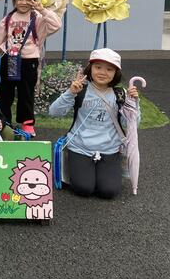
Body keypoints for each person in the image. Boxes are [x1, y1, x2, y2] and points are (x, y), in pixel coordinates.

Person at [48, 48, 140, 199]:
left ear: (116, 73)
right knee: (84, 188)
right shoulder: (80, 89)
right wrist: (70, 93)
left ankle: (98, 173)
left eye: (109, 69)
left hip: (109, 149)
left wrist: (133, 103)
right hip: (80, 146)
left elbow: (131, 124)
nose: (103, 72)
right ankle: (83, 170)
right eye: (98, 67)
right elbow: (54, 112)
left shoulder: (120, 94)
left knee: (109, 191)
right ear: (90, 68)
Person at [0, 0, 61, 136]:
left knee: (26, 92)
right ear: (14, 1)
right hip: (9, 59)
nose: (23, 2)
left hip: (28, 60)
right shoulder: (8, 18)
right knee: (5, 92)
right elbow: (0, 38)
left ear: (33, 0)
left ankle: (27, 123)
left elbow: (56, 24)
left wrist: (42, 10)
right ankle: (4, 121)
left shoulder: (37, 17)